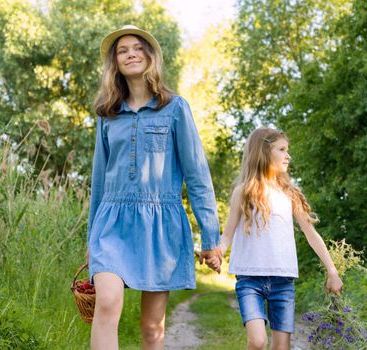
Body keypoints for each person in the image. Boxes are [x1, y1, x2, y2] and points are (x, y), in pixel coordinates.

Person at [85, 25, 222, 350]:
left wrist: (211, 237)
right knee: (107, 303)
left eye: (137, 48)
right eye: (122, 50)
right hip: (112, 224)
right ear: (115, 63)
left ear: (150, 56)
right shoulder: (108, 114)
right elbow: (99, 181)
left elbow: (198, 175)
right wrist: (92, 237)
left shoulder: (175, 108)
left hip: (160, 225)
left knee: (151, 328)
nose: (131, 53)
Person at [211, 127, 343, 350]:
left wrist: (332, 270)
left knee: (282, 347)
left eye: (287, 150)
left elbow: (312, 235)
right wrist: (218, 253)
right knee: (258, 341)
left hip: (283, 280)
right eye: (282, 149)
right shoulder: (243, 191)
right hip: (250, 279)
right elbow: (227, 235)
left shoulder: (289, 194)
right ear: (263, 152)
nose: (288, 155)